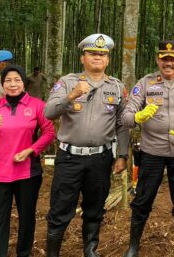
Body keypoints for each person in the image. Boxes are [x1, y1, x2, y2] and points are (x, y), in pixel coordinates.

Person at [44, 34, 129, 257]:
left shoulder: (117, 87)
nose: (97, 57)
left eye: (102, 54)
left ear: (108, 59)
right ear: (83, 57)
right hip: (69, 157)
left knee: (95, 207)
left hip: (100, 159)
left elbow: (122, 125)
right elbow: (49, 112)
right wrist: (72, 95)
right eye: (92, 53)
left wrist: (122, 155)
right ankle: (53, 252)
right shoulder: (68, 82)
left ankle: (90, 250)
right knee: (61, 208)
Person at [121, 40, 174, 257]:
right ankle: (133, 246)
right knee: (143, 200)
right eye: (164, 59)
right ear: (158, 60)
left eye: (173, 60)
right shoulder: (146, 83)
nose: (168, 63)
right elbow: (126, 115)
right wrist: (137, 117)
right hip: (152, 153)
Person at [0, 65, 55, 257]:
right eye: (8, 81)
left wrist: (31, 150)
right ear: (2, 84)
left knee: (27, 217)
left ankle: (24, 253)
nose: (12, 84)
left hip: (27, 172)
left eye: (17, 80)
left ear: (24, 83)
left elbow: (49, 132)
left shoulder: (37, 105)